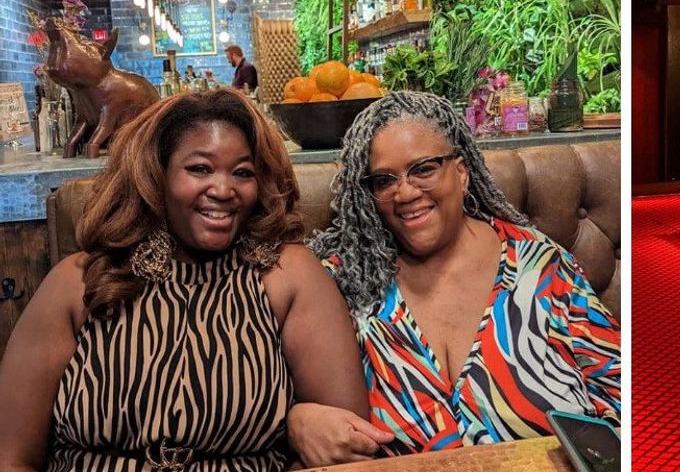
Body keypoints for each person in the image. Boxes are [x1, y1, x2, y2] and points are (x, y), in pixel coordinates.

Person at [0, 89, 381, 471]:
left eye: (243, 173)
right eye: (200, 168)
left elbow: (345, 449)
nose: (223, 189)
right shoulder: (79, 282)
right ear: (156, 175)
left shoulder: (288, 276)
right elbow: (11, 457)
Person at [288, 91, 621, 461]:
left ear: (461, 173)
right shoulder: (344, 281)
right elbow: (266, 392)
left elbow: (621, 392)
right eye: (384, 180)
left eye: (424, 169)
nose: (405, 192)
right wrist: (297, 420)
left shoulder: (540, 265)